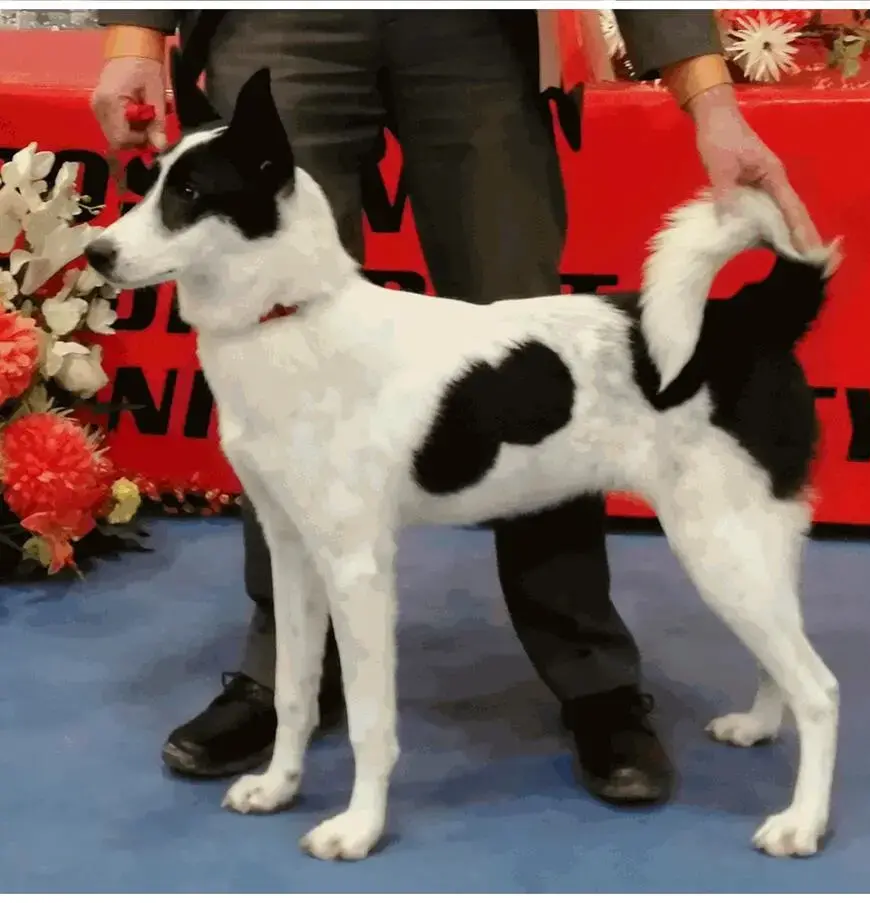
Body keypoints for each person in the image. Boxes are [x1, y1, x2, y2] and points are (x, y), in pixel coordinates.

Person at [92, 10, 819, 805]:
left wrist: (708, 95)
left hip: (474, 29)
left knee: (543, 378)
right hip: (281, 19)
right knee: (276, 392)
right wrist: (136, 31)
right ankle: (283, 678)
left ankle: (590, 675)